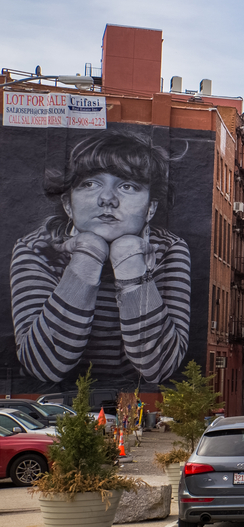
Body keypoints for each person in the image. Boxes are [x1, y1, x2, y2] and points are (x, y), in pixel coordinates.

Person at [10, 129, 191, 385]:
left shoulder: (170, 249)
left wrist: (129, 262)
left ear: (150, 208)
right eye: (90, 184)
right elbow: (43, 366)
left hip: (135, 406)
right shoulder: (36, 249)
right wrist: (87, 256)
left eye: (127, 186)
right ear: (68, 204)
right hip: (58, 407)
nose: (107, 199)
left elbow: (159, 367)